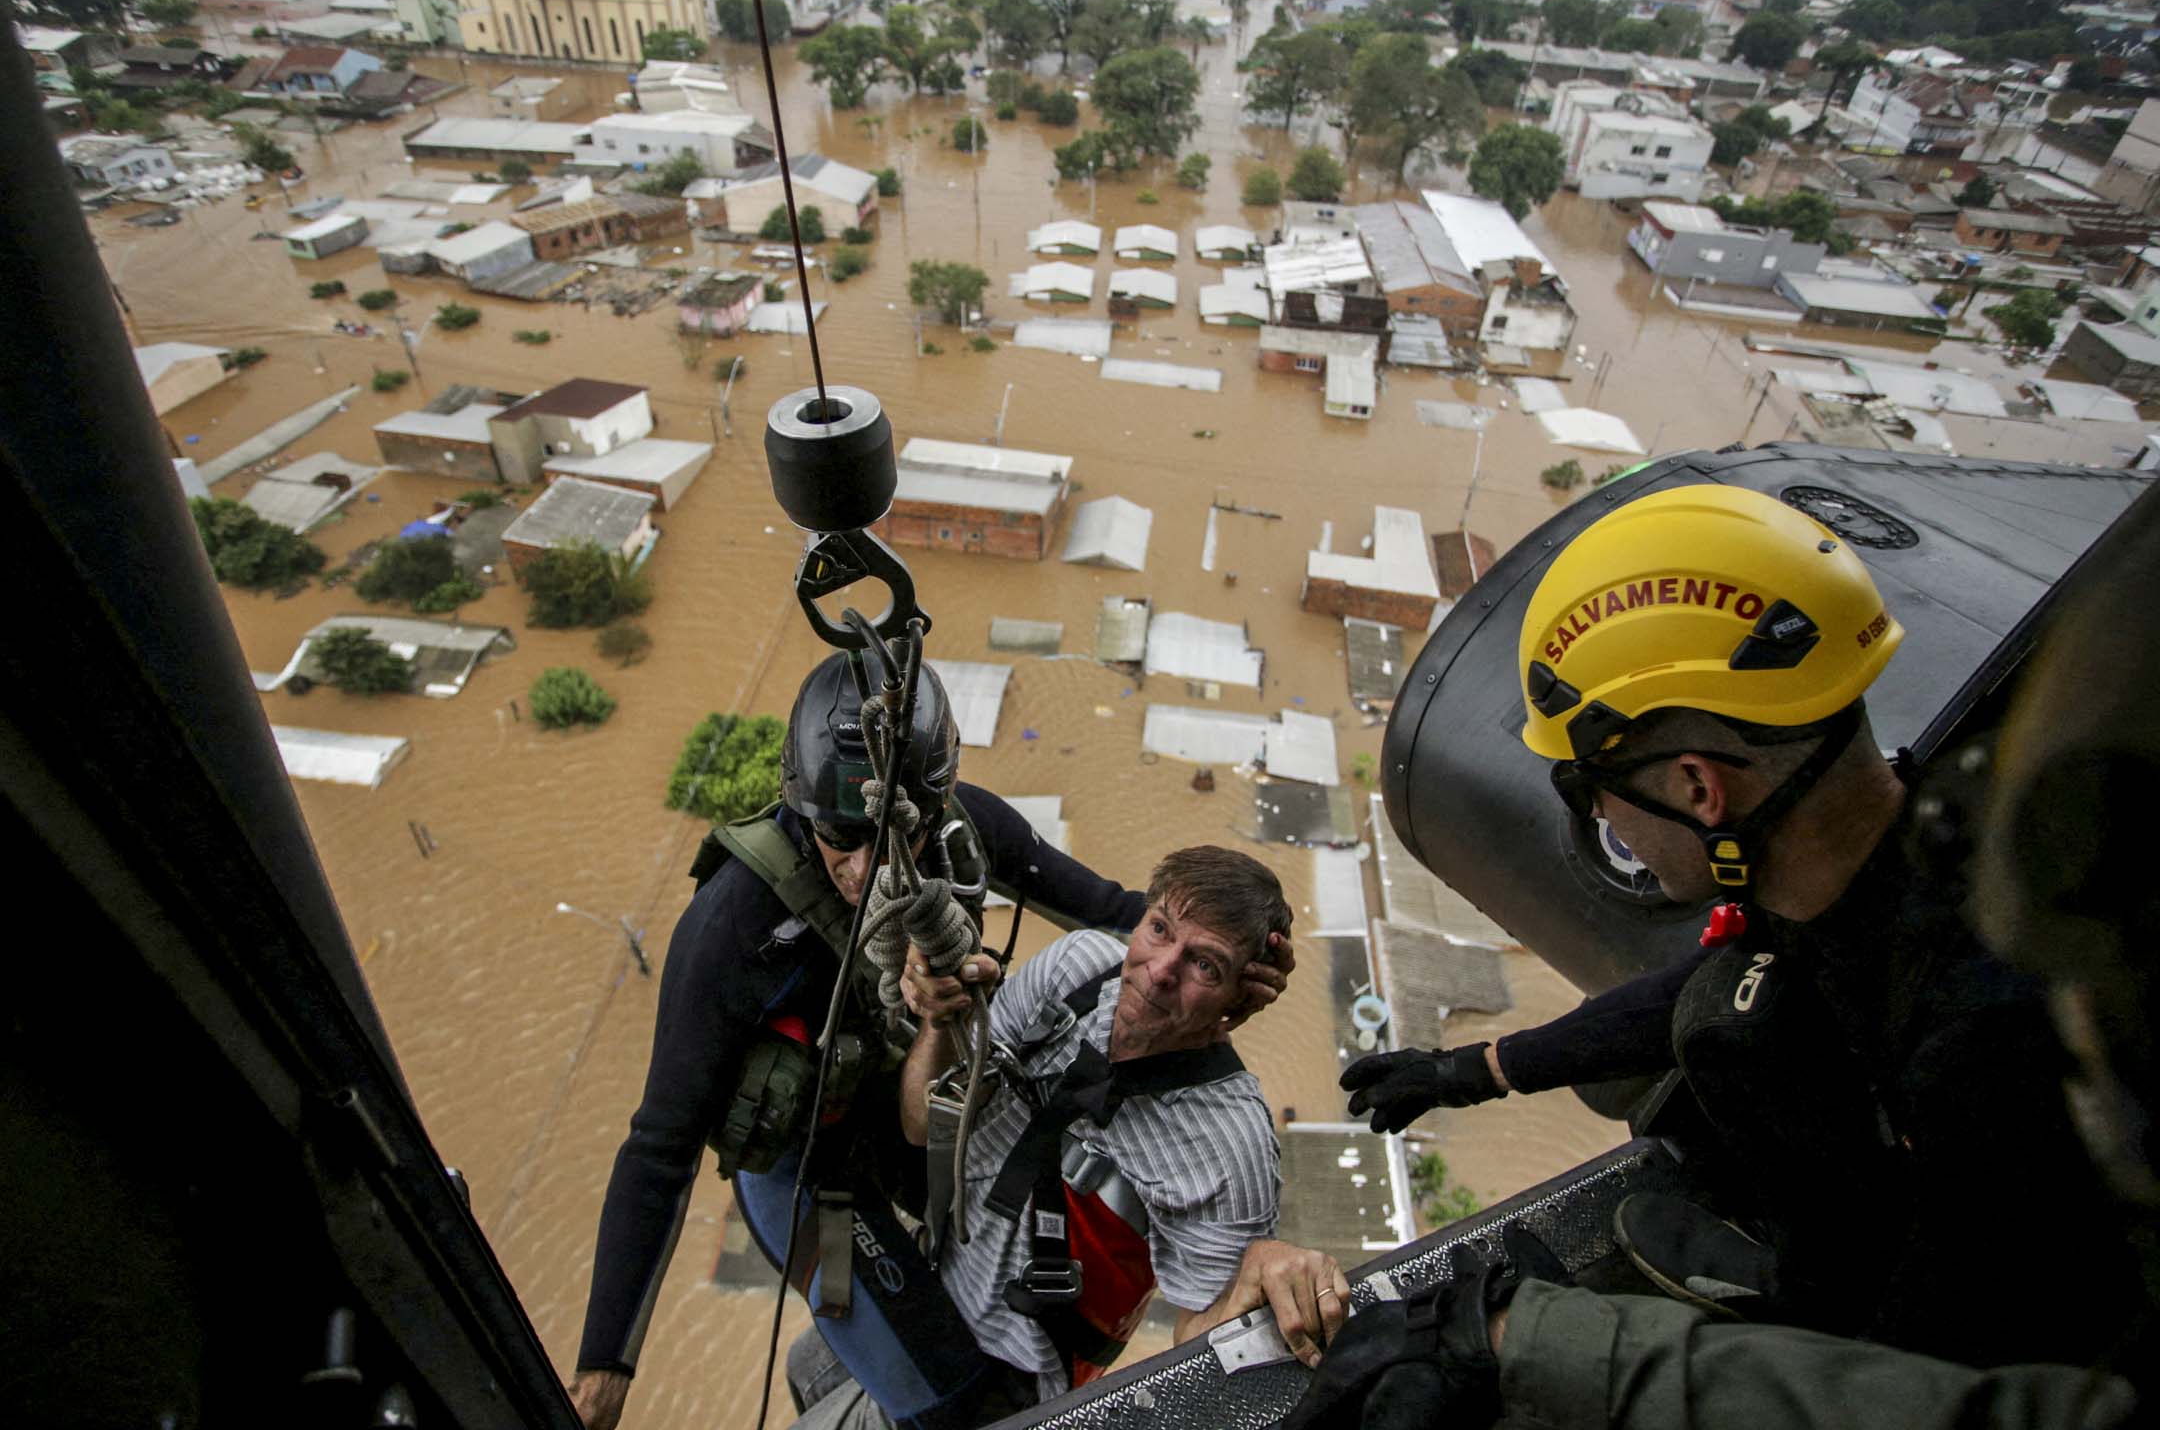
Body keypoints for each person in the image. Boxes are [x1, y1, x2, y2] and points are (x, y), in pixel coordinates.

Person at [1286, 481, 2160, 1430]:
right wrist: (1470, 1069)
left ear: (1699, 789)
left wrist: (1533, 1357)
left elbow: (1908, 1386)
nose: (1603, 822)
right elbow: (1713, 981)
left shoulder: (1987, 1053)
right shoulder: (1904, 855)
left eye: (1591, 792)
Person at [569, 654, 1283, 1430]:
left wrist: (1245, 958)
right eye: (845, 831)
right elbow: (658, 1148)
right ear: (799, 805)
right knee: (964, 1409)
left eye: (897, 827)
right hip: (808, 1170)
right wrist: (607, 1367)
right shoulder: (733, 928)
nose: (871, 862)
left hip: (916, 1134)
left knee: (932, 1345)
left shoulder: (962, 835)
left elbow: (1126, 918)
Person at [784, 846, 1351, 1430]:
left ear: (1241, 997)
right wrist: (941, 1018)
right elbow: (923, 1125)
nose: (1161, 970)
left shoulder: (1231, 1146)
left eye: (1205, 965)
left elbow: (1200, 1348)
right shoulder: (1076, 969)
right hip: (934, 1269)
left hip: (1005, 1372)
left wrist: (1256, 1272)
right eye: (1159, 930)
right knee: (806, 1366)